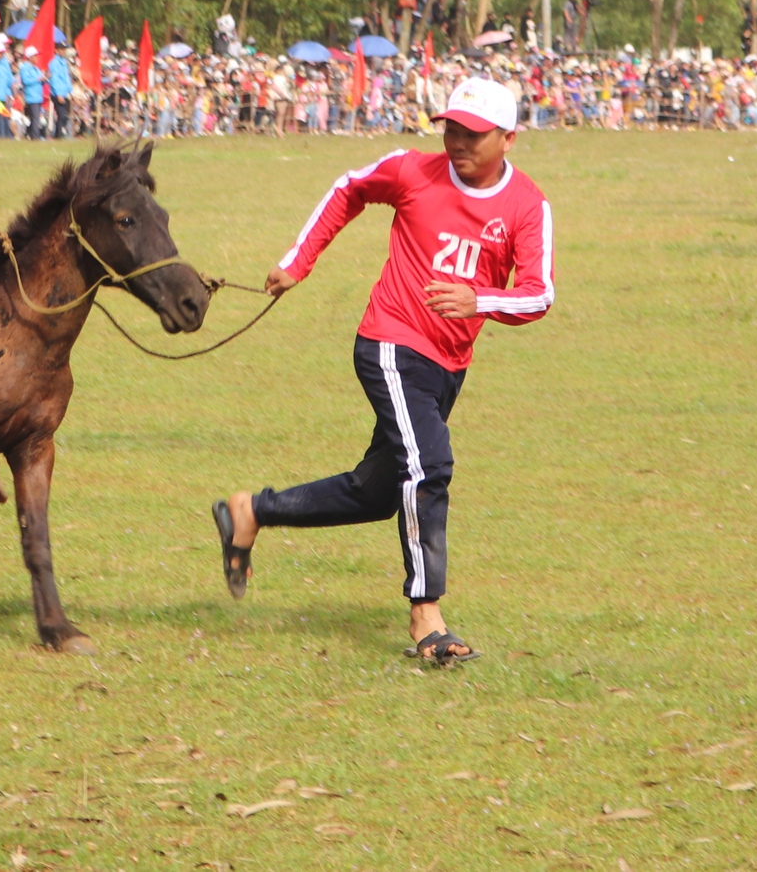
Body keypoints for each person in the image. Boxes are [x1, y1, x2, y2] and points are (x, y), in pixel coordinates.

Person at [211, 76, 554, 666]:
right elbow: (348, 189)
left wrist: (481, 301)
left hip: (449, 363)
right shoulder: (410, 170)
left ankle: (253, 510)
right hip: (391, 342)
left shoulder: (527, 205)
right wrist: (299, 262)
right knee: (430, 465)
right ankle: (428, 617)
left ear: (509, 138)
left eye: (473, 133)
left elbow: (539, 293)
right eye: (450, 127)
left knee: (376, 493)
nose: (457, 141)